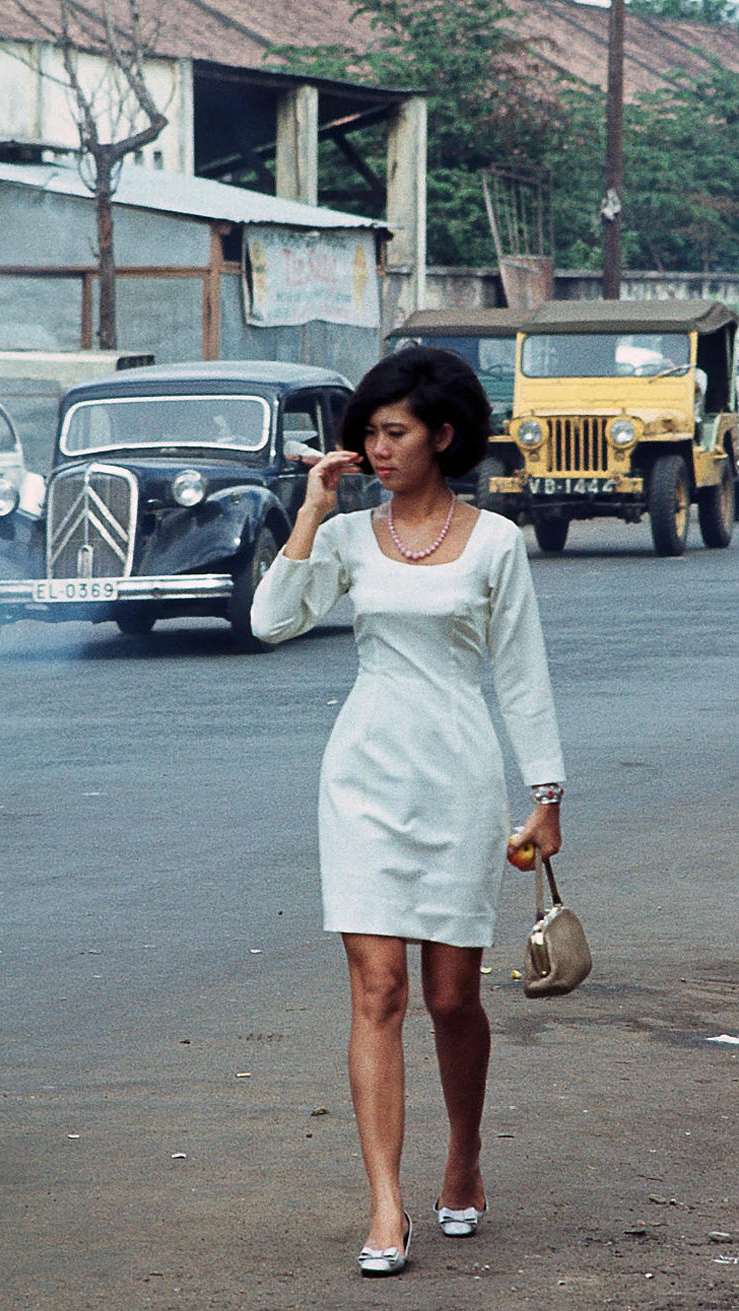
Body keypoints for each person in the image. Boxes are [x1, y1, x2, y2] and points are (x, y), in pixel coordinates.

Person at [250, 347, 565, 1278]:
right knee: (378, 990)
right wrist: (312, 511)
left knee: (450, 997)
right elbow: (273, 621)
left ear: (444, 434)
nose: (376, 449)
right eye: (367, 435)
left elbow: (520, 674)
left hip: (460, 780)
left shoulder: (498, 543)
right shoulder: (346, 539)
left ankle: (462, 1156)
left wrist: (545, 793)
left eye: (394, 433)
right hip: (362, 781)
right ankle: (386, 1202)